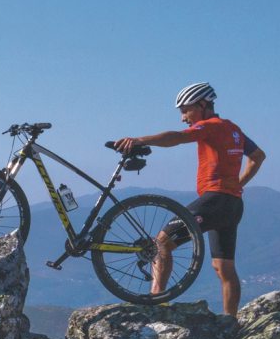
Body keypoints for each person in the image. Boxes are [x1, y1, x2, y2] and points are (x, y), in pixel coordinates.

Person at [112, 82, 265, 316]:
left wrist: (140, 140)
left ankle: (157, 304)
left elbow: (179, 137)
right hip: (233, 204)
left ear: (202, 105)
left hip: (213, 201)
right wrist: (238, 184)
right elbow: (257, 156)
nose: (184, 117)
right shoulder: (234, 129)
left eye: (186, 110)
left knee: (160, 244)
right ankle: (230, 322)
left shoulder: (210, 126)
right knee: (224, 267)